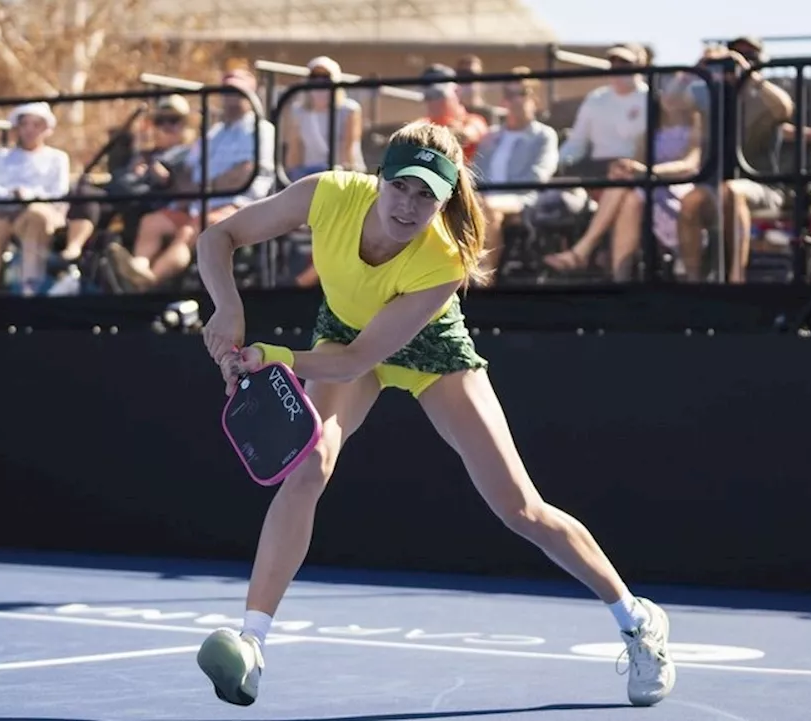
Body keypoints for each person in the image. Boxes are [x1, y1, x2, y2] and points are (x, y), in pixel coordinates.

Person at [191, 120, 675, 708]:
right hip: (341, 333)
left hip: (427, 353)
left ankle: (636, 620)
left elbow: (359, 360)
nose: (409, 205)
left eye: (427, 195)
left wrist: (272, 356)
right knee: (308, 466)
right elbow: (219, 237)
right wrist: (228, 311)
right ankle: (252, 644)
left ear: (445, 200)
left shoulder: (442, 259)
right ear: (378, 180)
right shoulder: (327, 195)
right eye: (400, 187)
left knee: (520, 508)